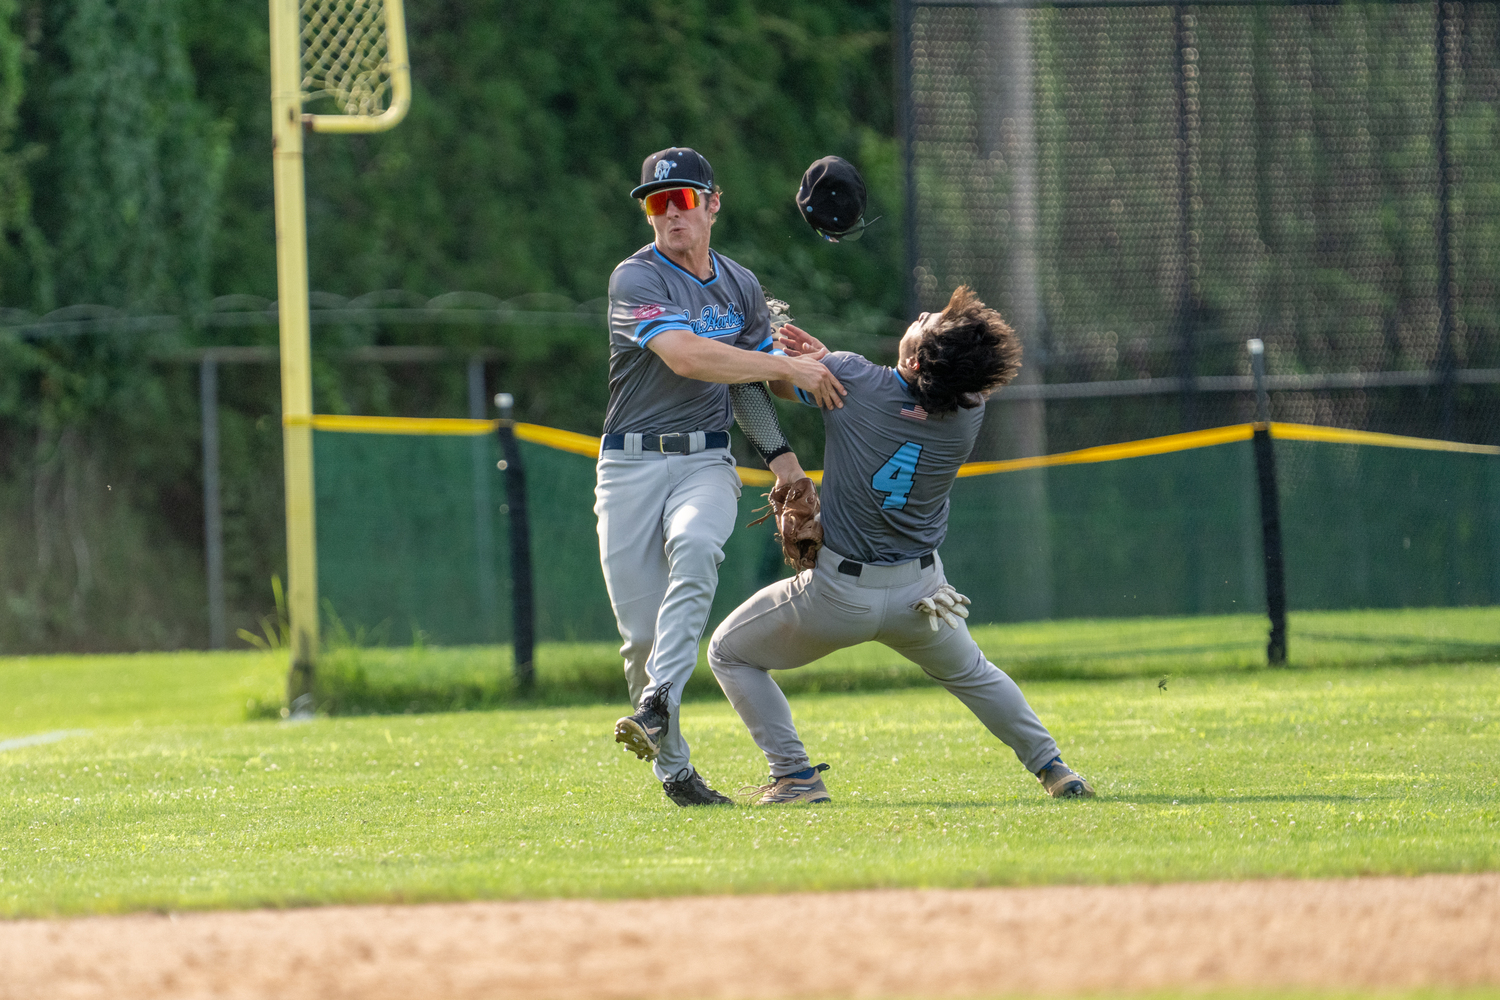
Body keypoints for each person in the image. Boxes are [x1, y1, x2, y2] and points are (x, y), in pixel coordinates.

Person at [707, 285, 1096, 804]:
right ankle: (1054, 769)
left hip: (839, 594)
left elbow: (776, 382)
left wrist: (798, 353)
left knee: (728, 653)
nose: (919, 312)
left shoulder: (851, 376)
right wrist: (832, 365)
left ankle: (796, 776)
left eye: (926, 320)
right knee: (976, 675)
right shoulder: (969, 409)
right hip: (923, 595)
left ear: (914, 357)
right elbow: (894, 392)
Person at [599, 147, 846, 807]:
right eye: (657, 202)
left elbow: (750, 382)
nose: (670, 213)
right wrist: (779, 366)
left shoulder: (738, 285)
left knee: (699, 546)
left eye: (683, 199)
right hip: (627, 466)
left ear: (712, 203)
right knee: (641, 638)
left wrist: (784, 460)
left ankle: (656, 703)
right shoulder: (636, 277)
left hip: (705, 460)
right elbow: (687, 357)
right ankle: (676, 773)